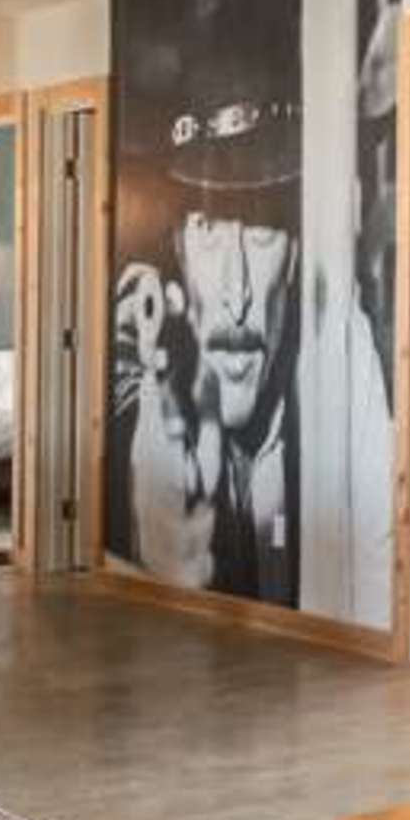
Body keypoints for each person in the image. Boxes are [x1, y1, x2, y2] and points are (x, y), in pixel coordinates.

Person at [113, 90, 301, 603]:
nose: (237, 294)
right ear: (177, 252)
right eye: (209, 229)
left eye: (263, 232)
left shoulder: (337, 422)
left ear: (294, 259)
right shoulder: (140, 421)